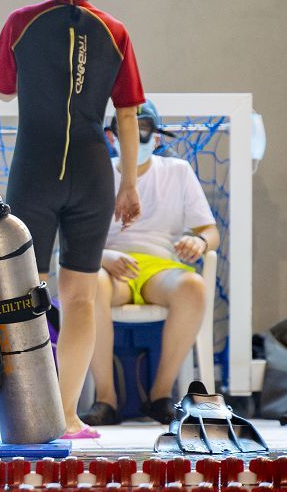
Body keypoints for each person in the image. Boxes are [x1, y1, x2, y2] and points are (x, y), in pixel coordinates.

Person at [0, 0, 145, 438]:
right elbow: (126, 114)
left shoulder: (20, 22)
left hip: (34, 172)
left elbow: (4, 89)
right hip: (92, 173)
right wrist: (130, 184)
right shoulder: (115, 32)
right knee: (79, 295)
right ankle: (70, 413)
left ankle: (23, 410)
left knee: (21, 292)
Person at [82, 101, 220, 425]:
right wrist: (104, 257)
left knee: (192, 287)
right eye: (127, 129)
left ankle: (160, 396)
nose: (135, 138)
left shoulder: (177, 171)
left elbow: (209, 230)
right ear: (111, 136)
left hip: (160, 266)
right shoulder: (95, 172)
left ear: (156, 138)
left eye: (142, 129)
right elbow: (73, 239)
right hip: (109, 266)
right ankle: (106, 398)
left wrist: (198, 242)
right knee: (89, 285)